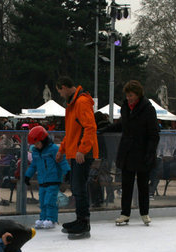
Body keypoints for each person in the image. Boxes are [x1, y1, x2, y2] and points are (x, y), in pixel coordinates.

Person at [100, 80, 159, 226]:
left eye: (131, 95)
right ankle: (125, 213)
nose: (128, 98)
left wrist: (150, 152)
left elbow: (154, 133)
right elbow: (122, 125)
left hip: (143, 152)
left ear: (138, 95)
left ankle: (144, 213)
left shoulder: (148, 109)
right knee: (126, 184)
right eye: (127, 95)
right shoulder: (126, 107)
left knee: (143, 185)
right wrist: (106, 129)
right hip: (127, 152)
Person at [55, 76, 98, 239]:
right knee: (76, 187)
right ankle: (80, 219)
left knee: (79, 187)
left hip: (82, 154)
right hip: (76, 152)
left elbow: (90, 127)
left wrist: (82, 150)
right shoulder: (73, 105)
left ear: (64, 87)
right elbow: (71, 132)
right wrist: (62, 149)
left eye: (60, 91)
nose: (60, 95)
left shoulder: (80, 102)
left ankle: (84, 222)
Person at [24, 126, 70, 229]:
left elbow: (62, 161)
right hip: (42, 180)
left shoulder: (53, 149)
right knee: (43, 201)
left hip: (53, 180)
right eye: (34, 144)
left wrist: (67, 172)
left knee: (50, 201)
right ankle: (43, 218)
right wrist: (27, 176)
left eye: (37, 143)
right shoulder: (36, 152)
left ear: (43, 140)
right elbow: (33, 165)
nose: (36, 146)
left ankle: (51, 219)